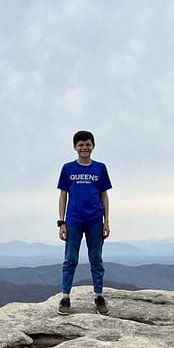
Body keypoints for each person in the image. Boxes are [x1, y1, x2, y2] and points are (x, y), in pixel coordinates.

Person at [57, 131, 112, 315]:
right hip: (73, 220)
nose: (84, 148)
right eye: (80, 145)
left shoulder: (100, 168)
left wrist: (107, 221)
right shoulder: (67, 169)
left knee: (96, 259)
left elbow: (104, 195)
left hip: (95, 220)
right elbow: (63, 195)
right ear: (75, 147)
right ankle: (65, 298)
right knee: (70, 260)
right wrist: (61, 222)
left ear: (93, 146)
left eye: (87, 144)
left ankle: (99, 296)